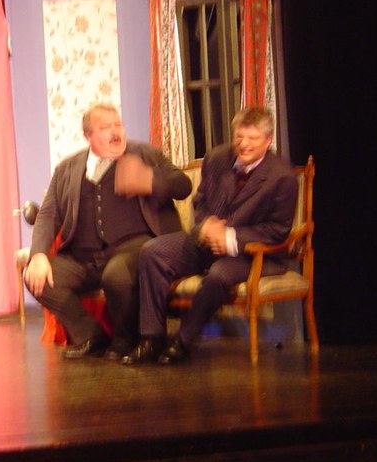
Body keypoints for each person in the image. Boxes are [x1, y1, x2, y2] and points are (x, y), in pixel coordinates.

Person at [122, 107, 298, 365]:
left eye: (252, 138)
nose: (244, 144)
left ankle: (182, 341)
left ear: (268, 140)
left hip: (250, 253)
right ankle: (152, 338)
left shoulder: (282, 176)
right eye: (239, 137)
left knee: (218, 275)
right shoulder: (217, 158)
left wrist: (229, 237)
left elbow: (278, 230)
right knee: (153, 251)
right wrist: (205, 226)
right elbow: (200, 202)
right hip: (204, 242)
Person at [25, 103, 192, 360]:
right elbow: (48, 214)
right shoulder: (67, 169)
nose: (115, 132)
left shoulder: (145, 154)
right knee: (37, 278)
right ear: (88, 135)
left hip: (133, 249)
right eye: (105, 127)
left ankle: (124, 339)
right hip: (82, 259)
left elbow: (183, 186)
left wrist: (148, 179)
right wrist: (38, 255)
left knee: (116, 275)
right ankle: (90, 334)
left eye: (118, 125)